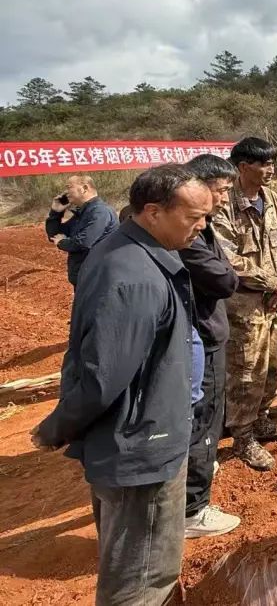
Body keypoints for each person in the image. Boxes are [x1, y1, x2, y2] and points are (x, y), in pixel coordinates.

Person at [32, 165, 213, 606]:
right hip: (141, 450)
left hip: (140, 437)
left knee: (137, 563)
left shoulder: (134, 254)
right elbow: (102, 377)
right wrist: (56, 428)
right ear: (153, 212)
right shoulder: (133, 278)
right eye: (194, 217)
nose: (203, 227)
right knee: (141, 579)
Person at [214, 137, 277, 471]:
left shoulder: (272, 198)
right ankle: (243, 437)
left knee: (274, 366)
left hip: (276, 300)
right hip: (243, 303)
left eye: (272, 163)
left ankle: (262, 419)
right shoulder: (223, 203)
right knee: (245, 371)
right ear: (243, 166)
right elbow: (226, 257)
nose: (270, 170)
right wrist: (270, 282)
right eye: (263, 164)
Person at [181, 155, 241, 539]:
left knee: (207, 418)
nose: (224, 199)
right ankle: (193, 509)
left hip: (208, 329)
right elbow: (223, 279)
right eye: (221, 191)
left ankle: (197, 471)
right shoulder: (188, 231)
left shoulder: (201, 226)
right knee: (203, 418)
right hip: (200, 334)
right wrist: (230, 271)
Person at [45, 174, 119, 286]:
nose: (66, 192)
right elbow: (54, 235)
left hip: (98, 280)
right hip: (85, 279)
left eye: (69, 187)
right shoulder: (83, 213)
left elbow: (84, 242)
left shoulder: (100, 212)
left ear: (85, 188)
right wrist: (56, 212)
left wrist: (62, 242)